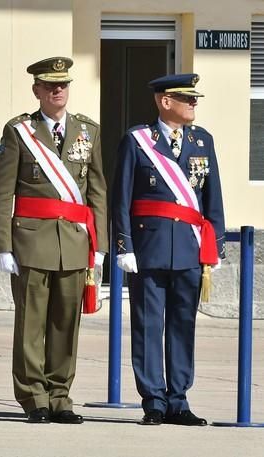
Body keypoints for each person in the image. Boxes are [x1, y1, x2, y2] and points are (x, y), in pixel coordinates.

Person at [0, 57, 108, 424]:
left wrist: (100, 244)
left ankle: (60, 395)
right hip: (31, 241)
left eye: (64, 85)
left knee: (65, 322)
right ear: (37, 90)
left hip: (74, 241)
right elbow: (2, 191)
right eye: (50, 85)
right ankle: (33, 396)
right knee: (31, 325)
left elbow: (97, 190)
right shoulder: (19, 131)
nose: (58, 90)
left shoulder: (88, 131)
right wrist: (2, 245)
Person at [112, 73, 225, 426]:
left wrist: (215, 246)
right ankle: (154, 401)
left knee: (182, 325)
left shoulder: (202, 141)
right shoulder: (138, 140)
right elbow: (122, 199)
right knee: (147, 325)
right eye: (186, 98)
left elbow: (213, 199)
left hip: (190, 249)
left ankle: (178, 399)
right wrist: (124, 246)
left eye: (194, 99)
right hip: (149, 247)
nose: (193, 104)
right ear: (165, 102)